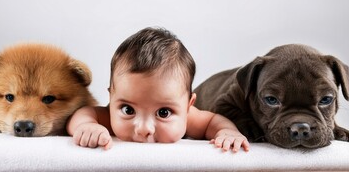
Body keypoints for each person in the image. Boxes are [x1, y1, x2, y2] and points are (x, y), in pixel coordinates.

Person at [67, 27, 250, 152]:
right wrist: (87, 126)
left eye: (163, 112)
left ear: (188, 106)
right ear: (112, 98)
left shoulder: (191, 118)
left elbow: (213, 121)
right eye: (128, 110)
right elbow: (84, 113)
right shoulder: (108, 116)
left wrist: (227, 132)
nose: (144, 128)